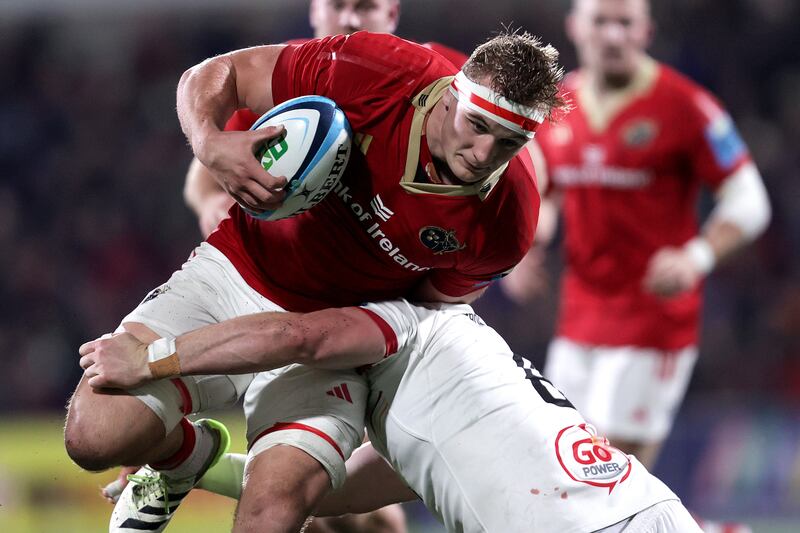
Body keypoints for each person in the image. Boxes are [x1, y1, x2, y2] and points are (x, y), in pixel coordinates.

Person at [64, 29, 565, 533]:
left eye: (509, 142)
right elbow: (221, 73)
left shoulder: (509, 221)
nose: (483, 153)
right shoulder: (379, 70)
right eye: (477, 125)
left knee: (274, 513)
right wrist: (209, 143)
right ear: (454, 93)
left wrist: (367, 384)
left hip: (330, 342)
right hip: (237, 272)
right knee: (94, 437)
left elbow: (417, 320)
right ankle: (184, 458)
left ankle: (198, 460)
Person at [79, 298, 703, 533]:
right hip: (646, 509)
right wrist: (187, 458)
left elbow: (297, 338)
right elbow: (337, 492)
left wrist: (154, 359)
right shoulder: (445, 402)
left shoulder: (406, 320)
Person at [502, 0, 769, 527]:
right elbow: (546, 189)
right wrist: (525, 247)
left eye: (625, 23)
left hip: (653, 320)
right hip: (580, 317)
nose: (613, 35)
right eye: (601, 21)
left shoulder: (686, 105)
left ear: (646, 31)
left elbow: (750, 200)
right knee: (572, 475)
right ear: (576, 28)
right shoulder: (558, 105)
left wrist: (696, 255)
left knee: (606, 476)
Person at [185, 0, 467, 238]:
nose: (349, 20)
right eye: (337, 5)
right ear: (314, 12)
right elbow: (204, 172)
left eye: (366, 7)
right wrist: (211, 202)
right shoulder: (285, 74)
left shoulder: (447, 77)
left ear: (392, 15)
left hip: (398, 270)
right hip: (291, 260)